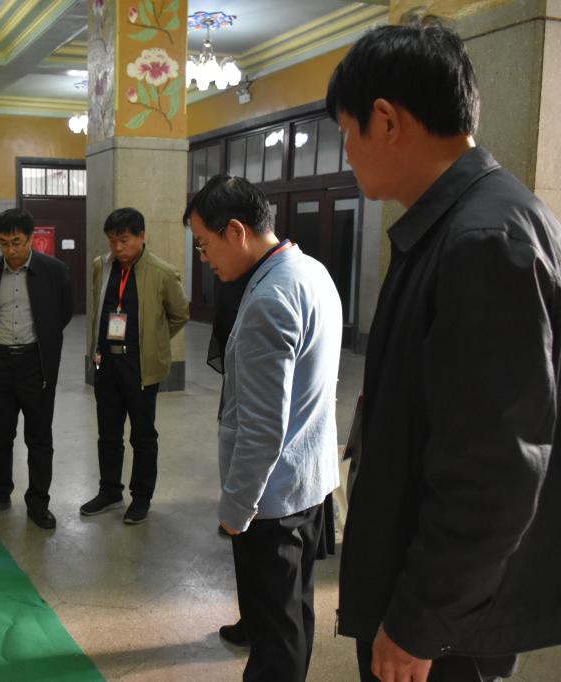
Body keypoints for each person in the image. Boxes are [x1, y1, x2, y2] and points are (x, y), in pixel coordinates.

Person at [328, 18, 561, 682]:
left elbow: (494, 471)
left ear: (386, 120)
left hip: (448, 629)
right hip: (443, 605)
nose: (346, 151)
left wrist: (421, 621)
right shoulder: (462, 223)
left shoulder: (485, 242)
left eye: (347, 130)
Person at [184, 174, 342, 682]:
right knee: (294, 610)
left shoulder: (269, 299)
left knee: (276, 637)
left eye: (204, 244)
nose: (204, 257)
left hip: (272, 500)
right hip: (309, 480)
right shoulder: (309, 269)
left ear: (236, 231)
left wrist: (236, 509)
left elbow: (261, 428)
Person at [80, 207, 188, 524]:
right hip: (106, 363)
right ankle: (110, 490)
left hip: (140, 365)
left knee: (143, 435)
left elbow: (179, 314)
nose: (118, 248)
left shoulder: (162, 272)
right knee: (108, 433)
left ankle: (141, 497)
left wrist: (154, 340)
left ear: (141, 236)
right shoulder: (101, 266)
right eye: (112, 241)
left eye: (124, 240)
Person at [0, 208, 73, 530]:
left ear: (31, 238)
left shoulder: (54, 270)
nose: (10, 250)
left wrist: (41, 343)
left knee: (39, 439)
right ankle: (0, 495)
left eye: (16, 242)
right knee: (0, 436)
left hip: (36, 365)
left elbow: (63, 313)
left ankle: (38, 503)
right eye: (3, 243)